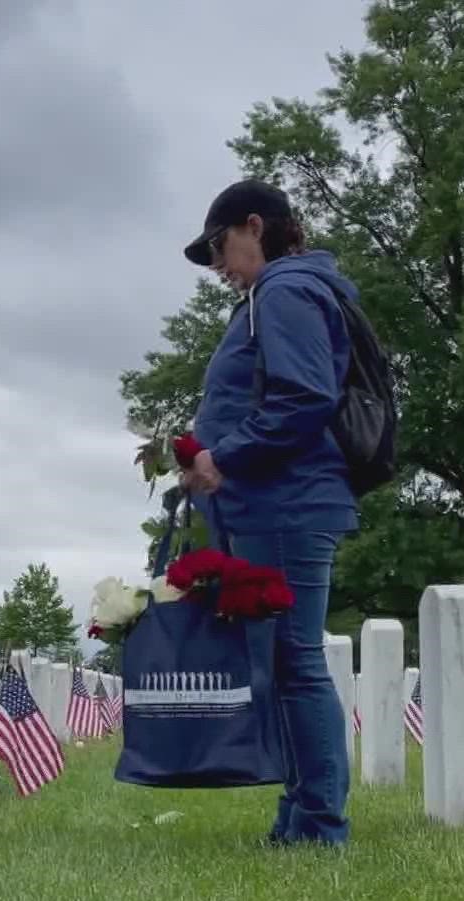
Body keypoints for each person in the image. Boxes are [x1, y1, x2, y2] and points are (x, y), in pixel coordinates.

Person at [178, 179, 359, 847]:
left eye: (220, 248)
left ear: (255, 225)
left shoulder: (286, 291)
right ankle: (300, 816)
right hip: (268, 500)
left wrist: (223, 456)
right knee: (284, 663)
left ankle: (317, 827)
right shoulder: (280, 292)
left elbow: (304, 398)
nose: (219, 266)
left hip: (286, 501)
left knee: (294, 660)